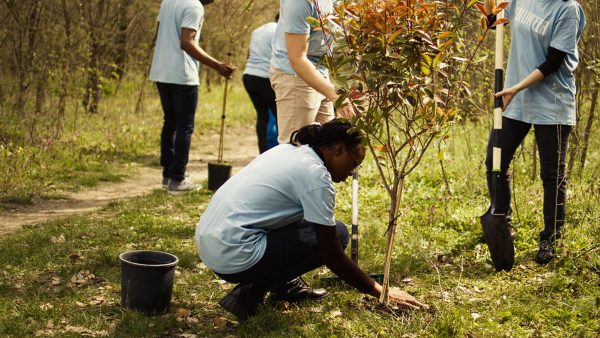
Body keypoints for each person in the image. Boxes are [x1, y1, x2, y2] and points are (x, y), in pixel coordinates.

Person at [195, 119, 427, 320]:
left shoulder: (290, 150)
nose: (352, 173)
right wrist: (380, 291)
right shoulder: (315, 175)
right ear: (338, 150)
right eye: (354, 164)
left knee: (321, 228)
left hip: (210, 240)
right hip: (233, 253)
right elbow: (331, 254)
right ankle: (253, 290)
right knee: (339, 233)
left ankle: (279, 287)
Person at [485, 0, 585, 264]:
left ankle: (550, 238)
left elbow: (553, 62)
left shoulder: (568, 9)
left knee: (552, 175)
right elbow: (494, 20)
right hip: (516, 98)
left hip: (553, 102)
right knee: (495, 161)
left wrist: (515, 88)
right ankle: (501, 225)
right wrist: (489, 9)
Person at [149, 0, 236, 194]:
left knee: (169, 122)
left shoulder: (168, 2)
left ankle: (168, 175)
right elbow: (186, 42)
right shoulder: (194, 6)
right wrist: (218, 66)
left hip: (161, 72)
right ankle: (178, 179)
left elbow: (160, 33)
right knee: (184, 126)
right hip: (182, 75)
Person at [269, 0, 354, 145]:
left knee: (327, 146)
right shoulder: (298, 3)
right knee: (295, 147)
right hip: (295, 75)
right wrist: (337, 97)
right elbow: (297, 59)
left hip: (321, 72)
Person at [243, 14, 279, 154]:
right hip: (265, 77)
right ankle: (278, 153)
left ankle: (263, 153)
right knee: (281, 116)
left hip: (249, 76)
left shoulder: (258, 30)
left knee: (262, 116)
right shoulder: (279, 31)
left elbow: (248, 55)